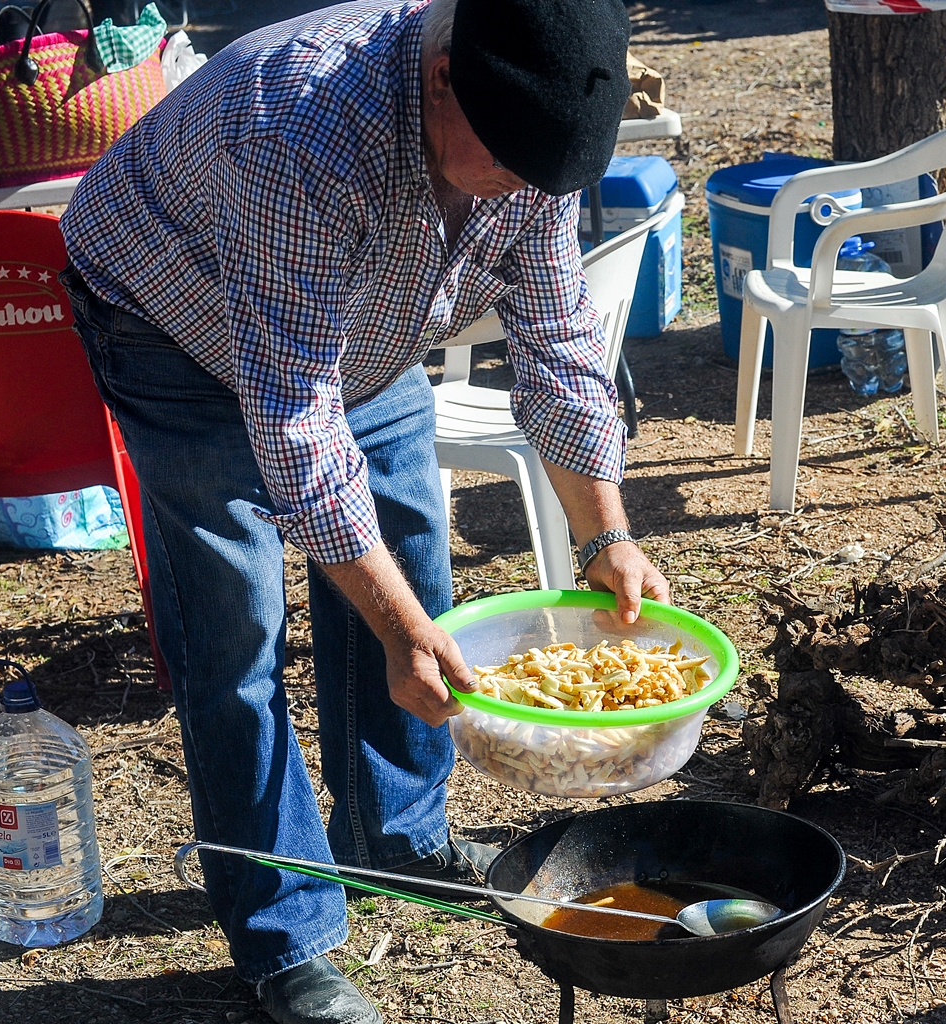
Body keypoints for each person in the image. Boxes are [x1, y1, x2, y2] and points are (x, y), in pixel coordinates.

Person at [58, 2, 669, 1022]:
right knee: (237, 623)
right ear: (438, 79)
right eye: (513, 165)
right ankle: (283, 935)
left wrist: (607, 533)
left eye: (543, 175)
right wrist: (397, 632)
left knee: (412, 553)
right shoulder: (300, 129)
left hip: (358, 320)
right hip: (170, 308)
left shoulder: (532, 128)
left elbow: (560, 346)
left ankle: (397, 831)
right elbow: (295, 422)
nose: (527, 191)